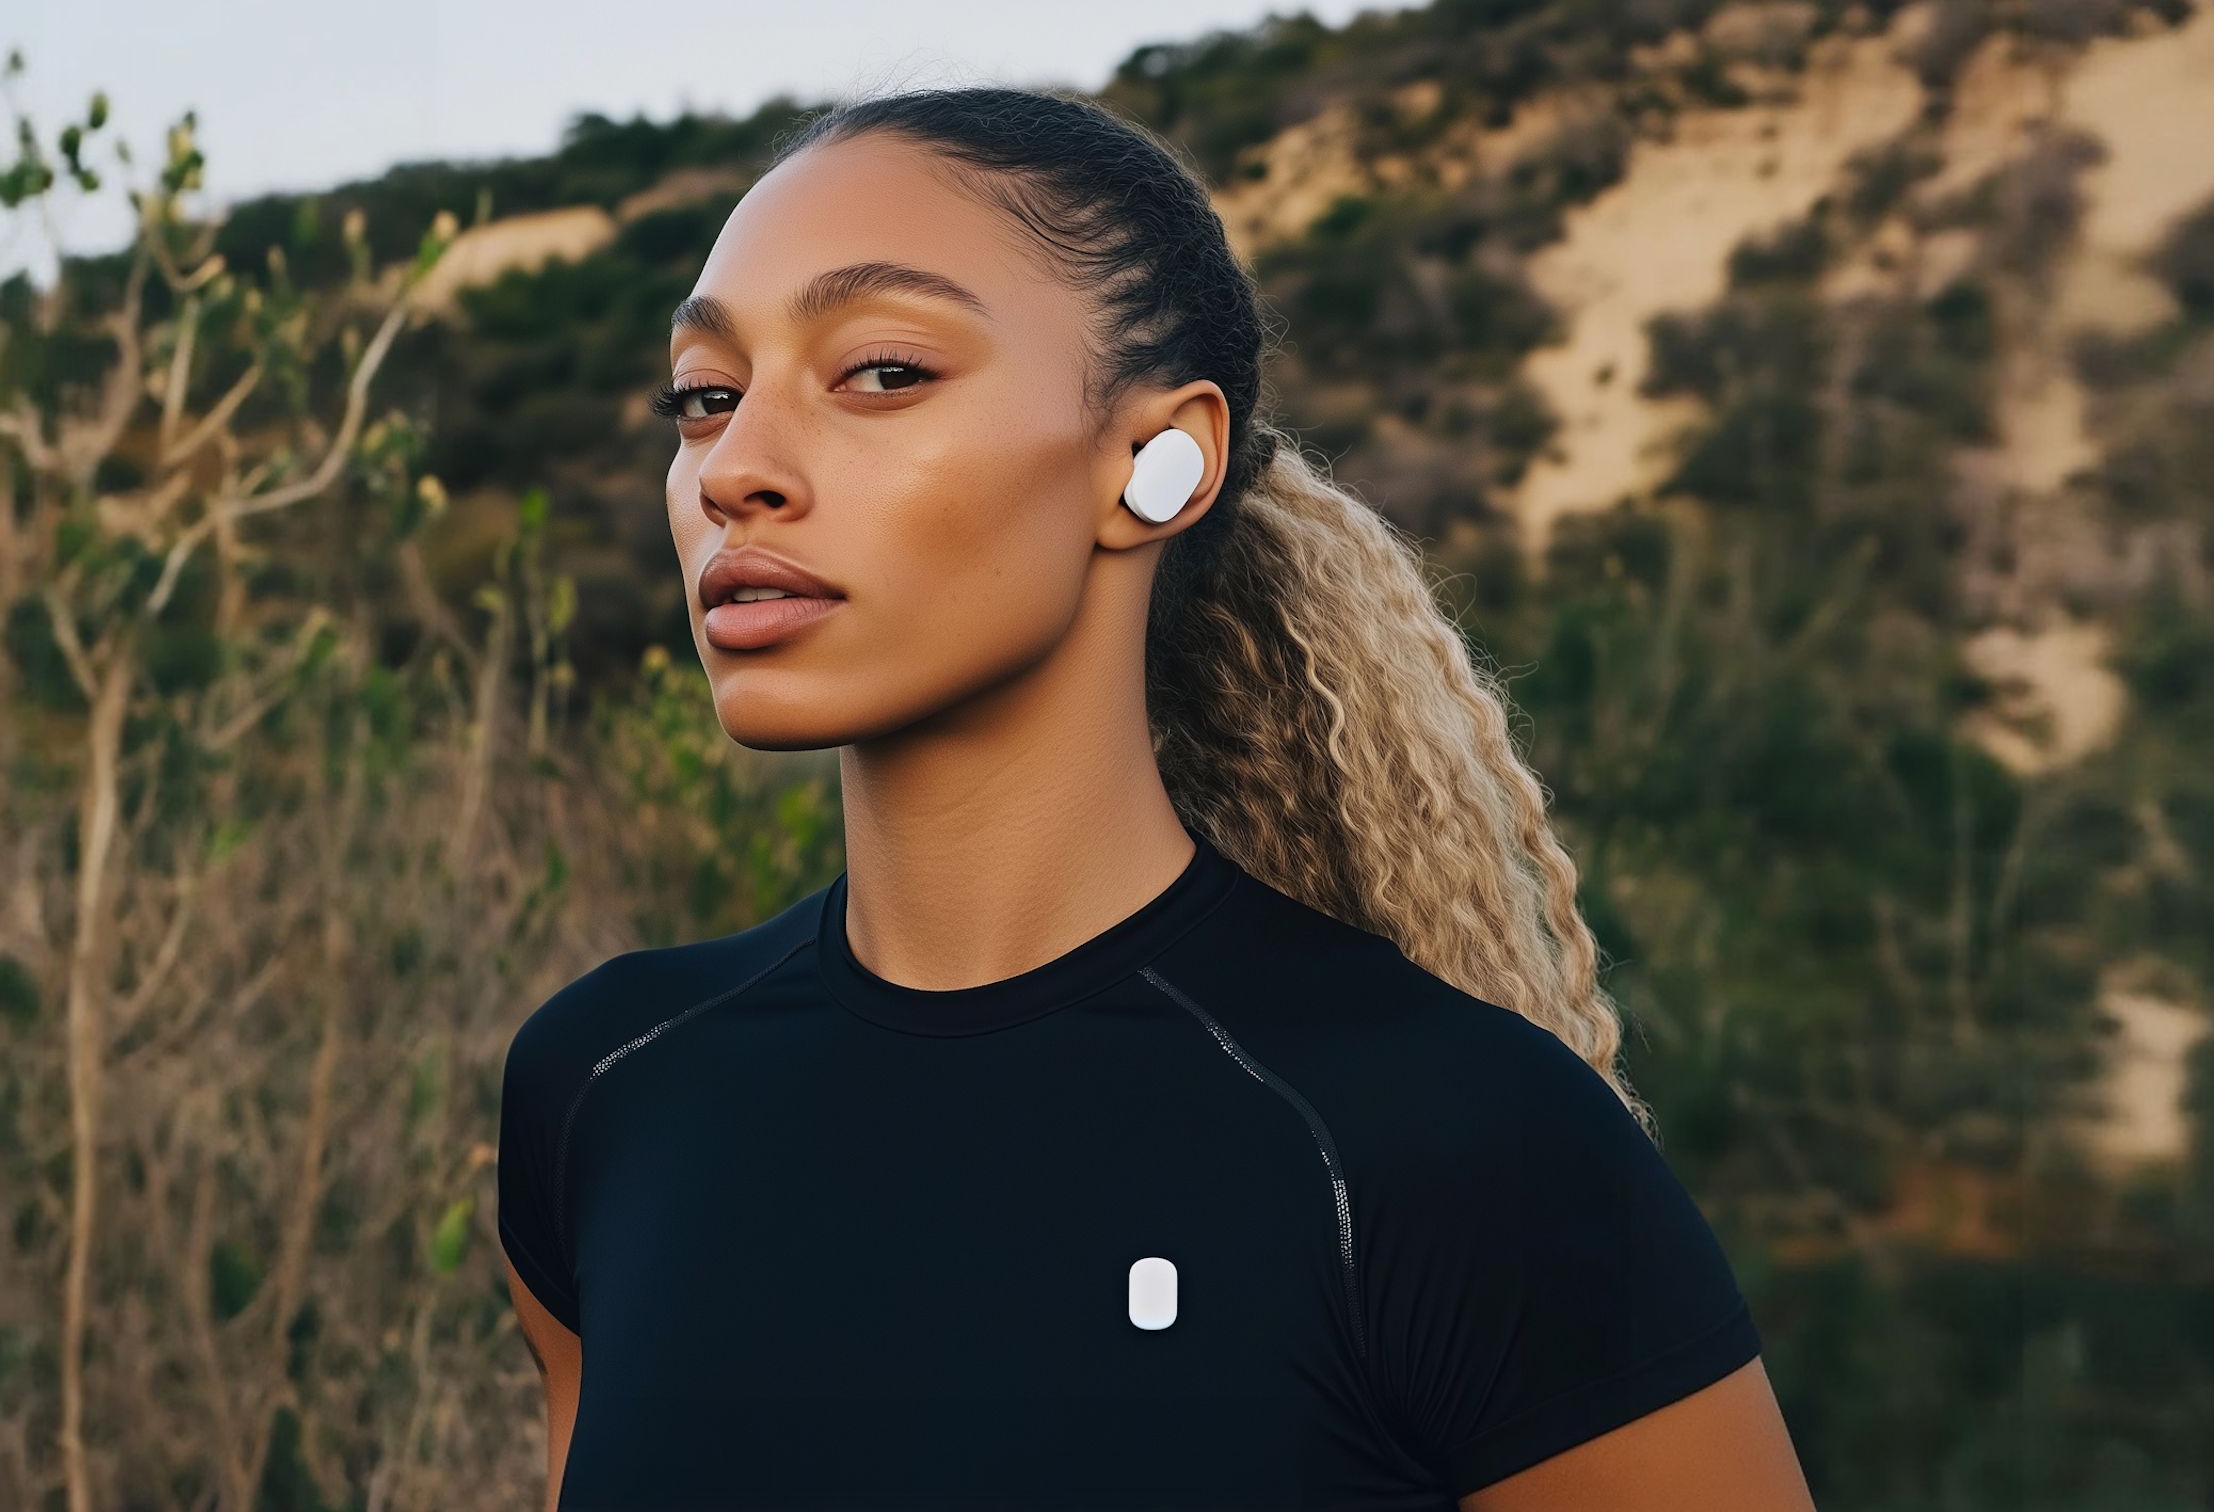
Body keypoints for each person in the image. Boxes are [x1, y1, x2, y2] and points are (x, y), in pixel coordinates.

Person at [496, 84, 1816, 1512]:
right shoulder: (609, 1089)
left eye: (880, 372)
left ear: (1154, 462)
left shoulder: (1456, 1149)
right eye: (705, 396)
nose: (735, 469)